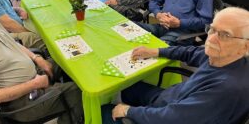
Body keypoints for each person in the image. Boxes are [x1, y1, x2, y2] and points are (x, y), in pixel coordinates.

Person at [102, 7, 249, 124]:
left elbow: (171, 118)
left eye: (225, 35)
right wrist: (155, 51)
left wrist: (128, 111)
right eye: (212, 29)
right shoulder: (220, 55)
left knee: (105, 111)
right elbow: (188, 52)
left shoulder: (226, 88)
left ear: (246, 47)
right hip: (172, 98)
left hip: (170, 115)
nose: (211, 38)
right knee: (126, 87)